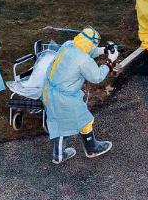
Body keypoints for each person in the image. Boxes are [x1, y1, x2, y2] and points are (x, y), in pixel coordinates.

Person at [42, 27, 117, 163]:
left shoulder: (68, 44)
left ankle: (59, 154)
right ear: (91, 43)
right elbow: (97, 76)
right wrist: (110, 63)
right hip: (64, 97)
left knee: (59, 123)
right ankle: (91, 148)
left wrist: (103, 50)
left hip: (49, 91)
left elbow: (85, 51)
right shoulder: (83, 60)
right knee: (83, 120)